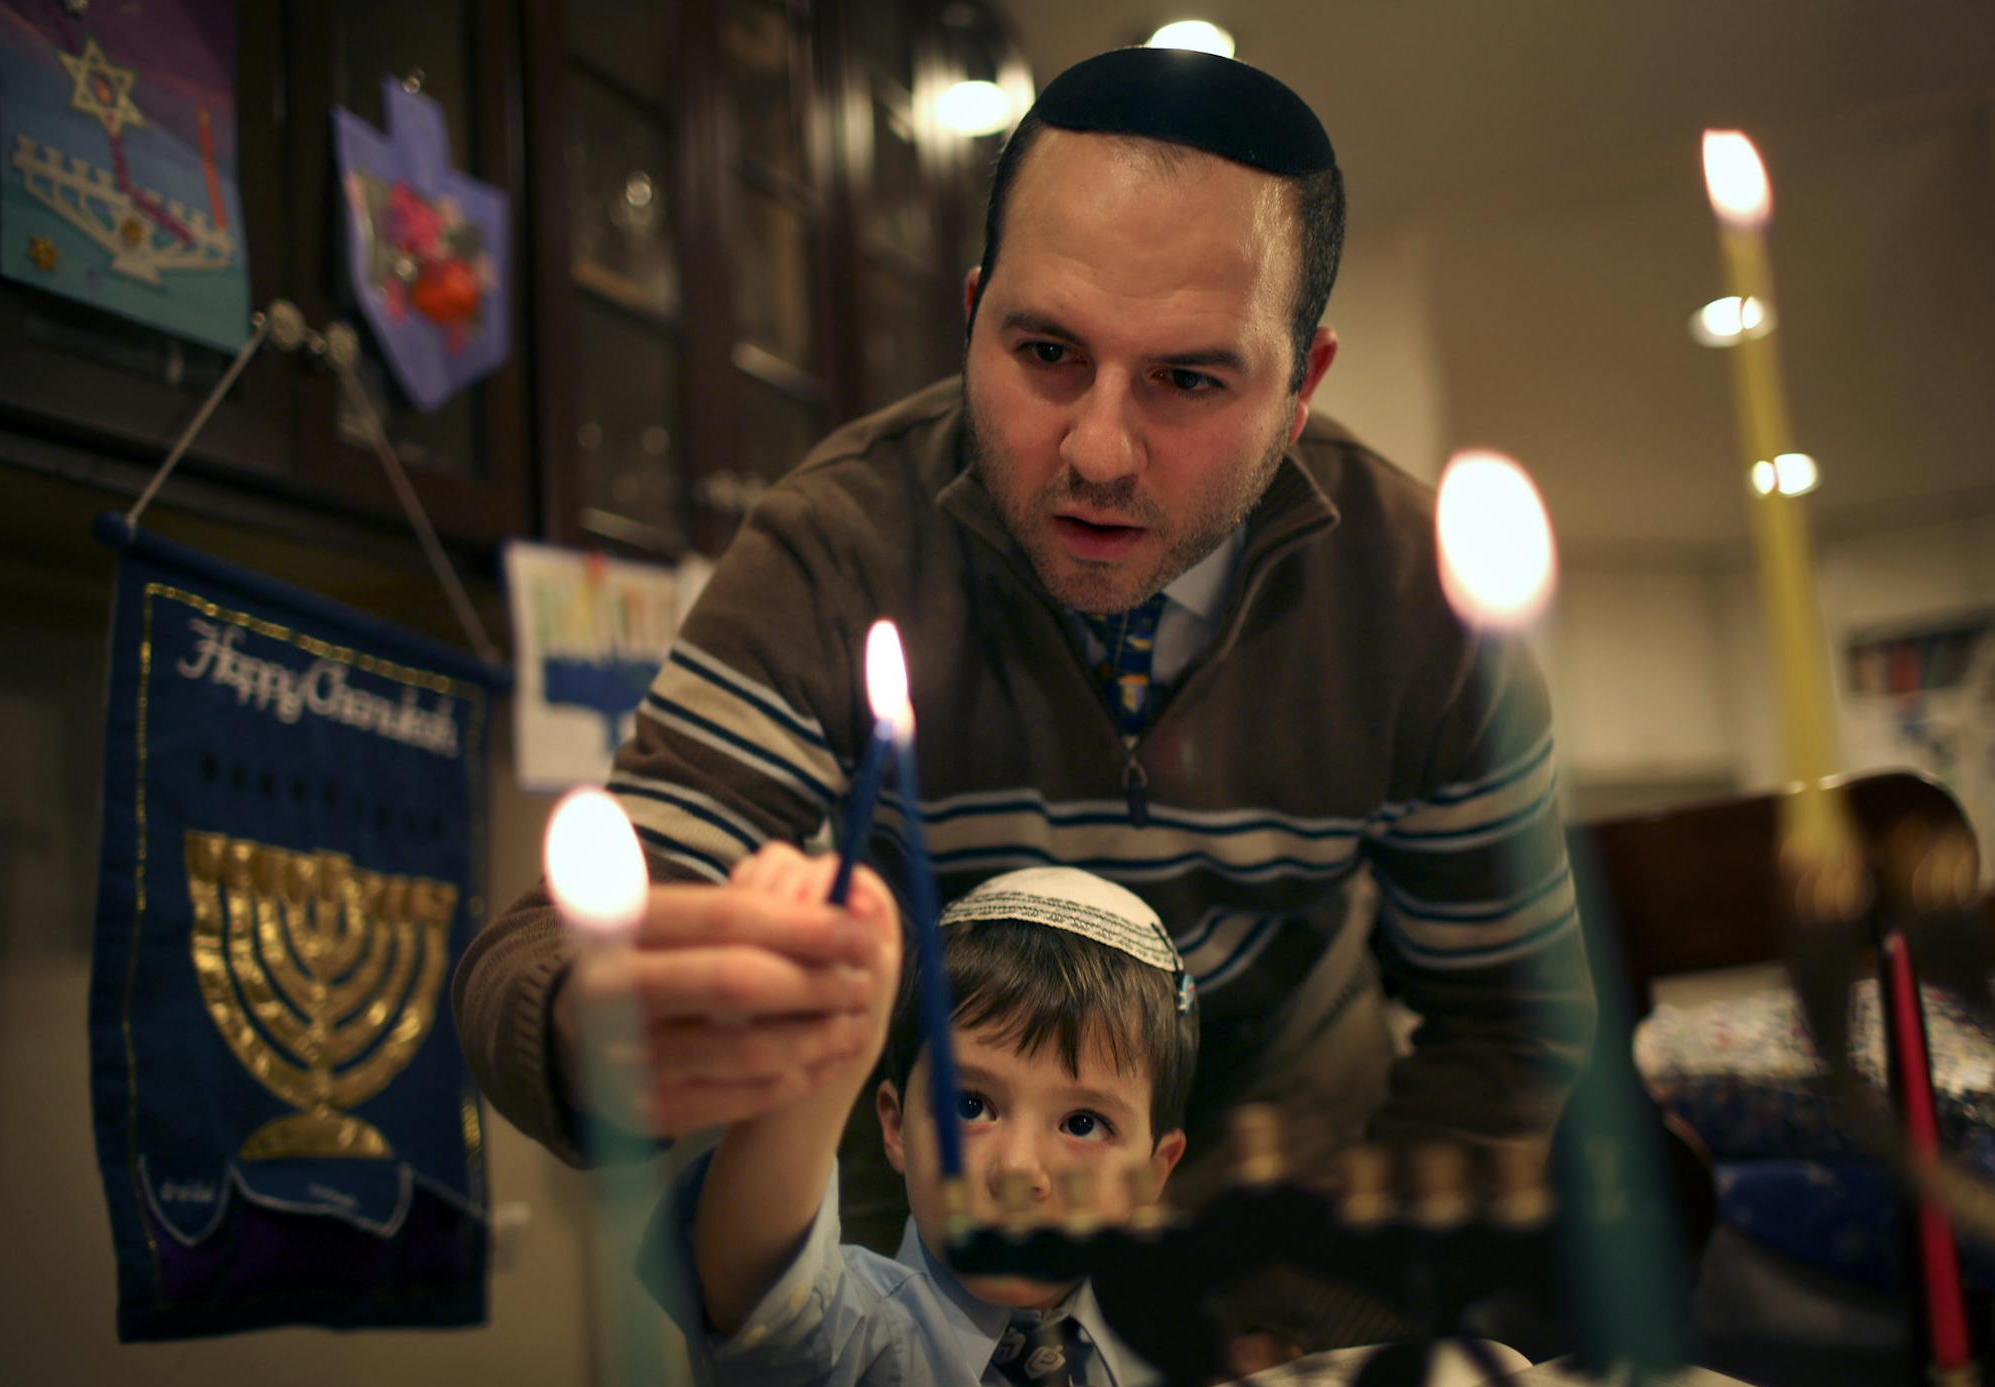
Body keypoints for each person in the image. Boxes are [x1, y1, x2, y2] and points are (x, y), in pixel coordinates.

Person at [454, 44, 1593, 1247]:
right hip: (925, 1243)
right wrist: (600, 1022)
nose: (1098, 451)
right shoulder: (837, 546)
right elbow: (535, 959)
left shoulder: (1417, 599)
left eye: (1189, 379)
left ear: (1300, 387)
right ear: (973, 316)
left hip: (1280, 1208)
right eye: (1046, 354)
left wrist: (1334, 1301)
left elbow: (1513, 1023)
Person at [636, 851, 1198, 1387]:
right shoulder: (857, 1338)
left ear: (1154, 1171)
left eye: (1082, 1123)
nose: (1020, 1169)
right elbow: (763, 1297)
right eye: (971, 1105)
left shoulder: (1166, 1345)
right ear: (897, 1123)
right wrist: (809, 1057)